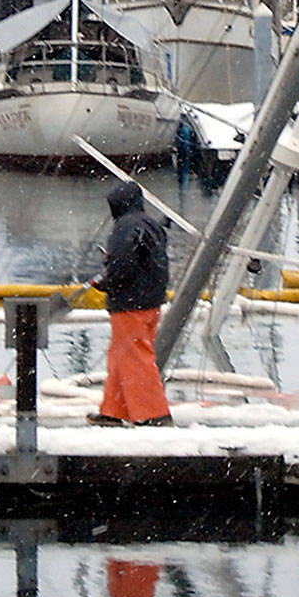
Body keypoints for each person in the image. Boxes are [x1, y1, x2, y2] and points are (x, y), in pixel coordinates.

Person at [86, 180, 173, 428]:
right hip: (151, 301)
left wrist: (106, 281)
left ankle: (154, 414)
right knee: (121, 356)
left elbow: (122, 264)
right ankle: (114, 411)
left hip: (130, 302)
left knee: (135, 357)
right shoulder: (151, 224)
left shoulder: (125, 227)